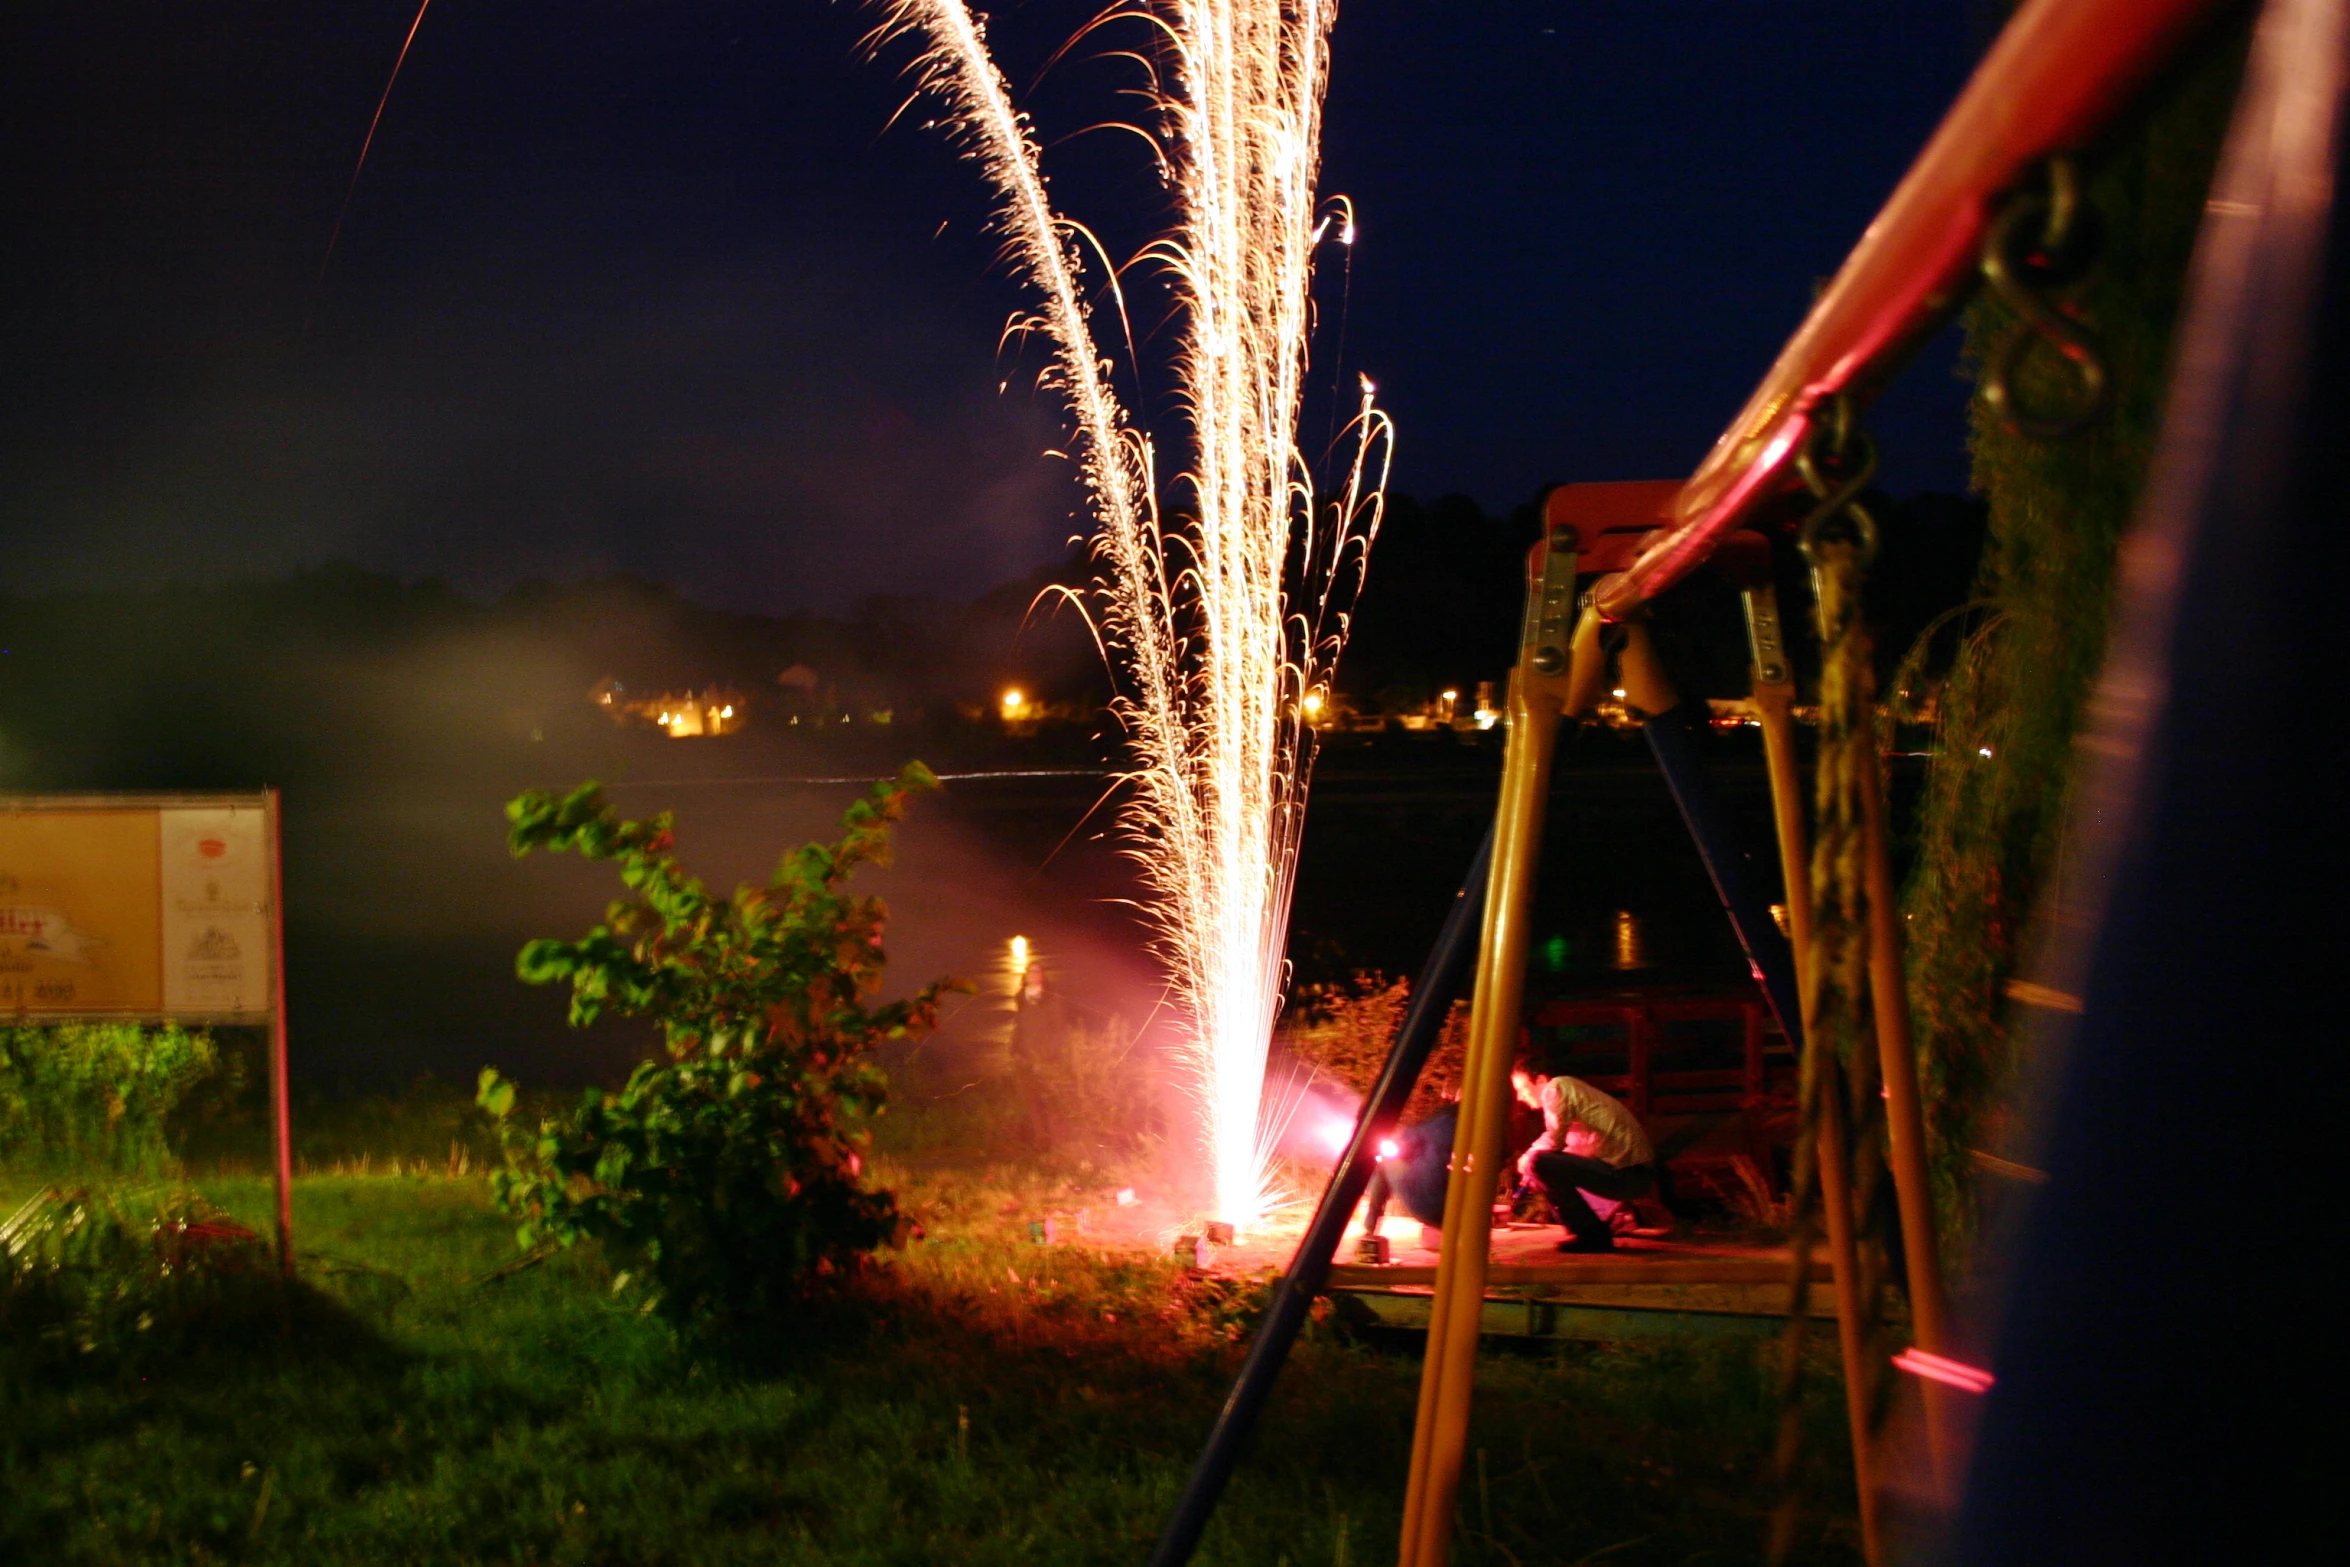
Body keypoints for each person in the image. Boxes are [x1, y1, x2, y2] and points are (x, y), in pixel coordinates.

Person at [1511, 1057, 1656, 1253]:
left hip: (1627, 1173)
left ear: (1541, 1081)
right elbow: (1568, 1149)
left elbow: (1555, 1141)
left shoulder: (1556, 1087)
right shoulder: (1574, 1097)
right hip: (1632, 1173)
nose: (1520, 1097)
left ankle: (1592, 1235)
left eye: (1522, 1088)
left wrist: (1529, 1158)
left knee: (1540, 1163)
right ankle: (1604, 1224)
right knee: (1542, 1164)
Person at [1362, 1103, 1456, 1235]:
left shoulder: (1434, 1125)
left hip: (1428, 1207)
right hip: (1461, 1207)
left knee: (1385, 1164)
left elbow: (1408, 1141)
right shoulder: (1478, 1126)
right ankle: (1370, 1223)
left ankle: (1370, 1225)